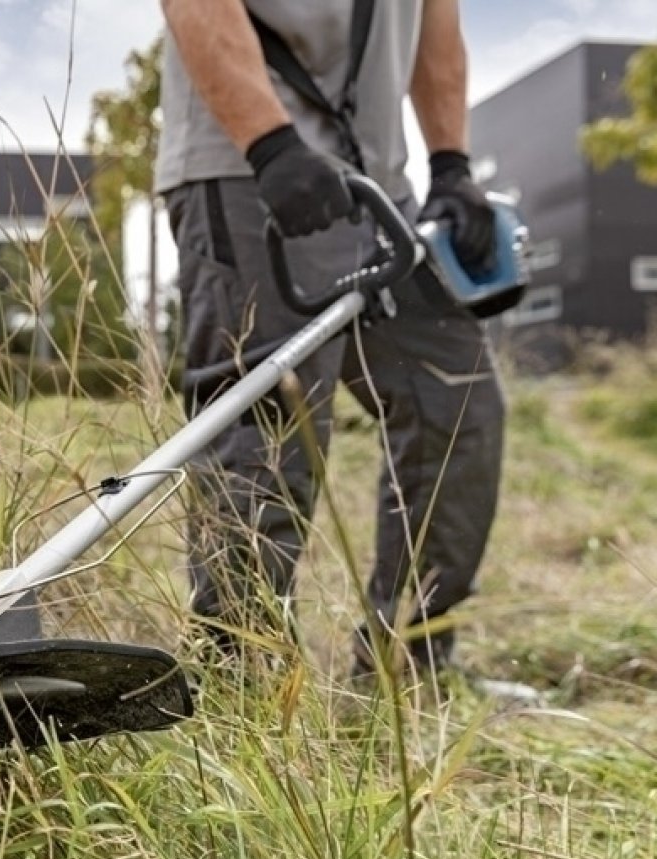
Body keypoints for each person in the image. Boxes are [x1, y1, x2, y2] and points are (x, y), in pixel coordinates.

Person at [156, 0, 505, 679]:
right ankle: (240, 685)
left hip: (379, 185)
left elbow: (435, 27)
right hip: (247, 166)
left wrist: (452, 164)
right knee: (268, 430)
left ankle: (408, 666)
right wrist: (269, 144)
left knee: (457, 407)